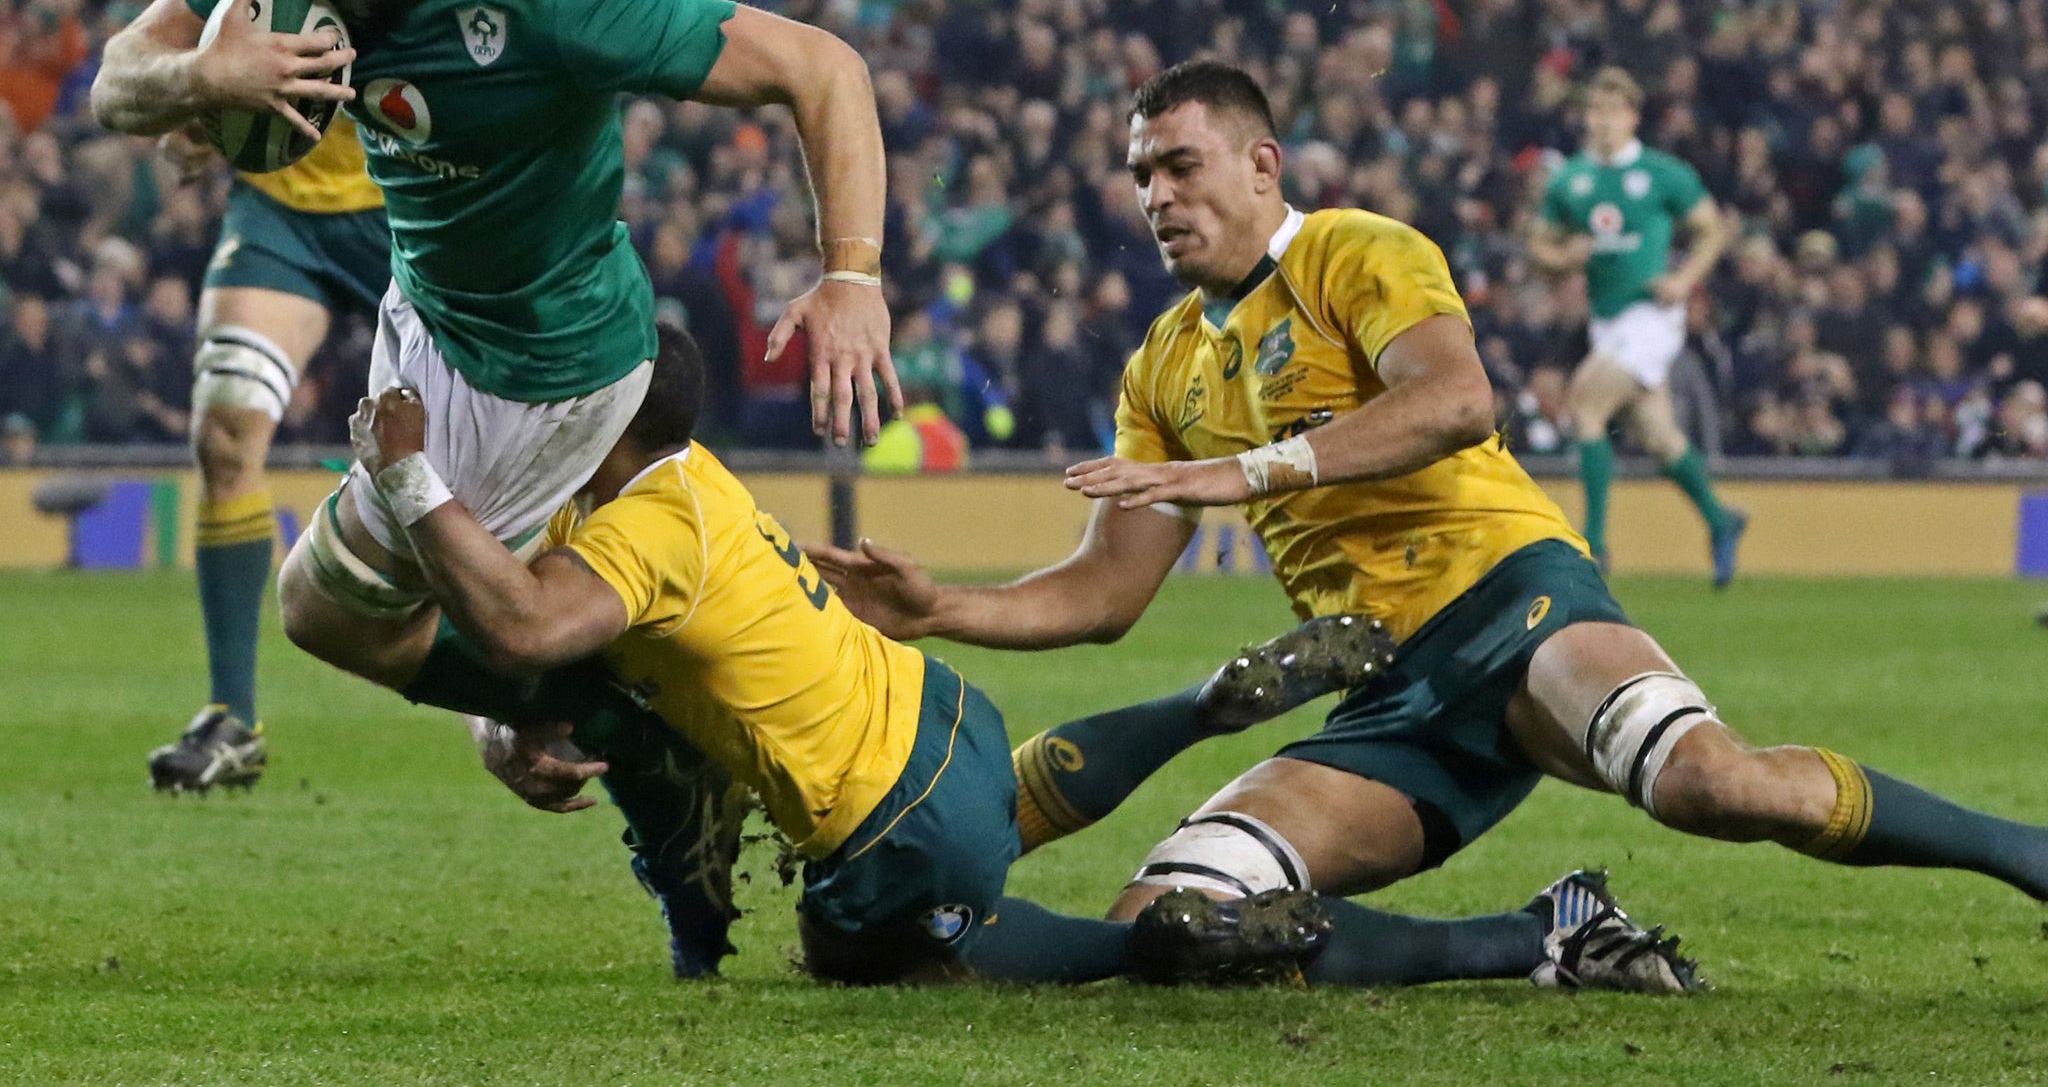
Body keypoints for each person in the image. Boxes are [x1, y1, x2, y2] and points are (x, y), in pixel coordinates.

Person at [813, 61, 2048, 986]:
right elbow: (1104, 594)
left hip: (1510, 597)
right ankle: (1548, 940)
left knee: (1705, 785)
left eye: (1179, 164)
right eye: (1139, 174)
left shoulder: (1356, 251)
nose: (1154, 195)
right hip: (1382, 689)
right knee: (1178, 929)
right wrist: (944, 610)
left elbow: (1457, 401)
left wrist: (1251, 473)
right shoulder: (1164, 364)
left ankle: (2026, 850)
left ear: (1262, 165)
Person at [89, 0, 899, 959]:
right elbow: (113, 82)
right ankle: (604, 735)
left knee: (328, 615)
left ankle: (634, 734)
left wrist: (850, 277)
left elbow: (821, 67)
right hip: (423, 316)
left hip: (541, 366)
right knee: (387, 614)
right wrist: (210, 67)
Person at [342, 325, 1685, 991]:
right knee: (966, 805)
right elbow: (547, 635)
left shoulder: (630, 528)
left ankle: (1531, 938)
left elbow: (523, 626)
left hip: (889, 845)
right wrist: (503, 713)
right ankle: (1201, 705)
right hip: (961, 729)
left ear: (603, 422)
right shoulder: (686, 490)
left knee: (929, 957)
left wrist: (406, 483)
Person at [144, 0, 387, 794]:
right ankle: (231, 719)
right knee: (224, 436)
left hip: (398, 212)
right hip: (279, 214)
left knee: (496, 460)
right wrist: (202, 120)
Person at [1528, 67, 1747, 585]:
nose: (1601, 122)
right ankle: (1722, 520)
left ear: (1633, 118)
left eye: (1612, 112)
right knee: (1659, 435)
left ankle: (1594, 545)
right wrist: (1564, 256)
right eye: (1594, 112)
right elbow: (1539, 245)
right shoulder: (1571, 180)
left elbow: (1712, 230)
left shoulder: (1663, 173)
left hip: (1650, 316)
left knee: (1585, 402)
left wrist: (1684, 279)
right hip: (1607, 321)